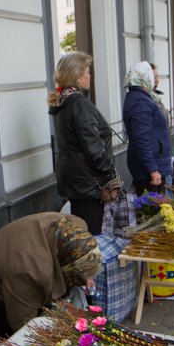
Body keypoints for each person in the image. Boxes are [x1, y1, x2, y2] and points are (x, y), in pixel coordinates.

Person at [0, 212, 103, 337]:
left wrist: (86, 277)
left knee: (72, 294)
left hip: (12, 272)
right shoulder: (29, 269)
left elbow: (81, 256)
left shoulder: (73, 229)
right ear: (67, 266)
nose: (82, 282)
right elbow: (22, 324)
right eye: (78, 277)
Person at [48, 52, 121, 234]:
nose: (90, 76)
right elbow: (93, 148)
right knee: (91, 236)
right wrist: (110, 175)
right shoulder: (78, 103)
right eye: (88, 72)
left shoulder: (64, 101)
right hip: (88, 183)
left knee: (82, 233)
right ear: (78, 77)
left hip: (76, 180)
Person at [122, 61, 173, 195]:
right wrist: (153, 170)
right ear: (145, 77)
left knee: (159, 205)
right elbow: (141, 138)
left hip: (154, 164)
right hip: (150, 170)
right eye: (151, 76)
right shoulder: (140, 101)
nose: (154, 80)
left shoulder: (142, 98)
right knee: (152, 206)